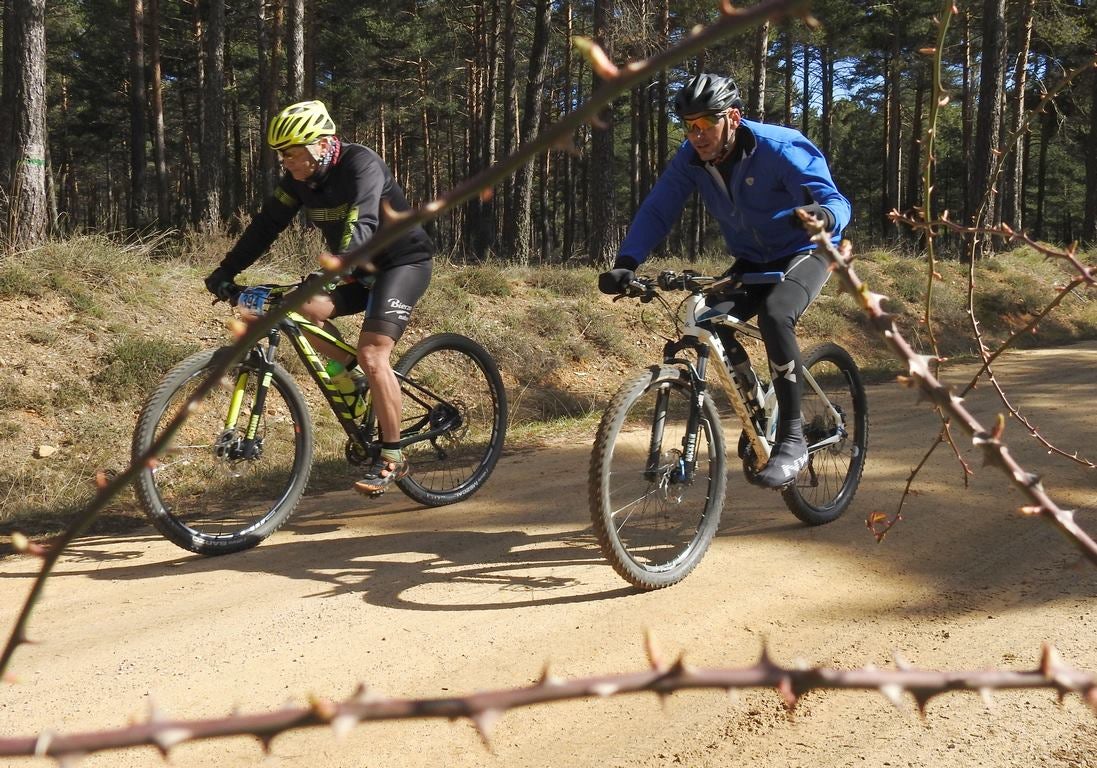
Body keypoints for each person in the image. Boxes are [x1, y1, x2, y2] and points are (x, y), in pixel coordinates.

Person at [598, 73, 852, 489]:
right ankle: (758, 405)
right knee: (704, 316)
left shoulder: (778, 147)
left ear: (732, 117)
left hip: (810, 248)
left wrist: (824, 217)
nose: (696, 135)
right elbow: (658, 209)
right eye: (688, 126)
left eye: (704, 124)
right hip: (753, 257)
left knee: (775, 313)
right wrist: (627, 261)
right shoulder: (691, 160)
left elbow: (836, 201)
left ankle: (792, 438)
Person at [204, 100, 435, 495]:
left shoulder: (361, 164)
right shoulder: (298, 182)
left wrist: (335, 267)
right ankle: (352, 374)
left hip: (401, 264)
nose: (286, 162)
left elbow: (360, 220)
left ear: (320, 144)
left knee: (373, 353)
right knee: (295, 310)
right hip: (356, 271)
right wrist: (226, 271)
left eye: (292, 153)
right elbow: (265, 227)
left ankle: (393, 456)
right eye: (281, 154)